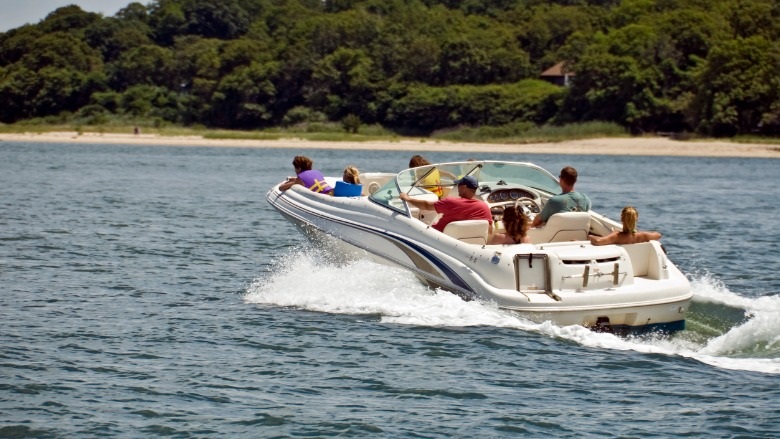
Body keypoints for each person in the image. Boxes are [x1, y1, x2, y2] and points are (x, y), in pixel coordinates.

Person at [399, 175, 493, 235]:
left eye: (458, 185)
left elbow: (426, 206)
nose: (457, 188)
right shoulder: (484, 207)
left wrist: (407, 198)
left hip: (437, 237)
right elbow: (489, 231)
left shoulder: (451, 202)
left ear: (464, 187)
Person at [590, 206, 662, 245]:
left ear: (621, 218)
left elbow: (598, 241)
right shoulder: (642, 236)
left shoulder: (616, 236)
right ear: (636, 220)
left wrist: (589, 236)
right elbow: (658, 235)